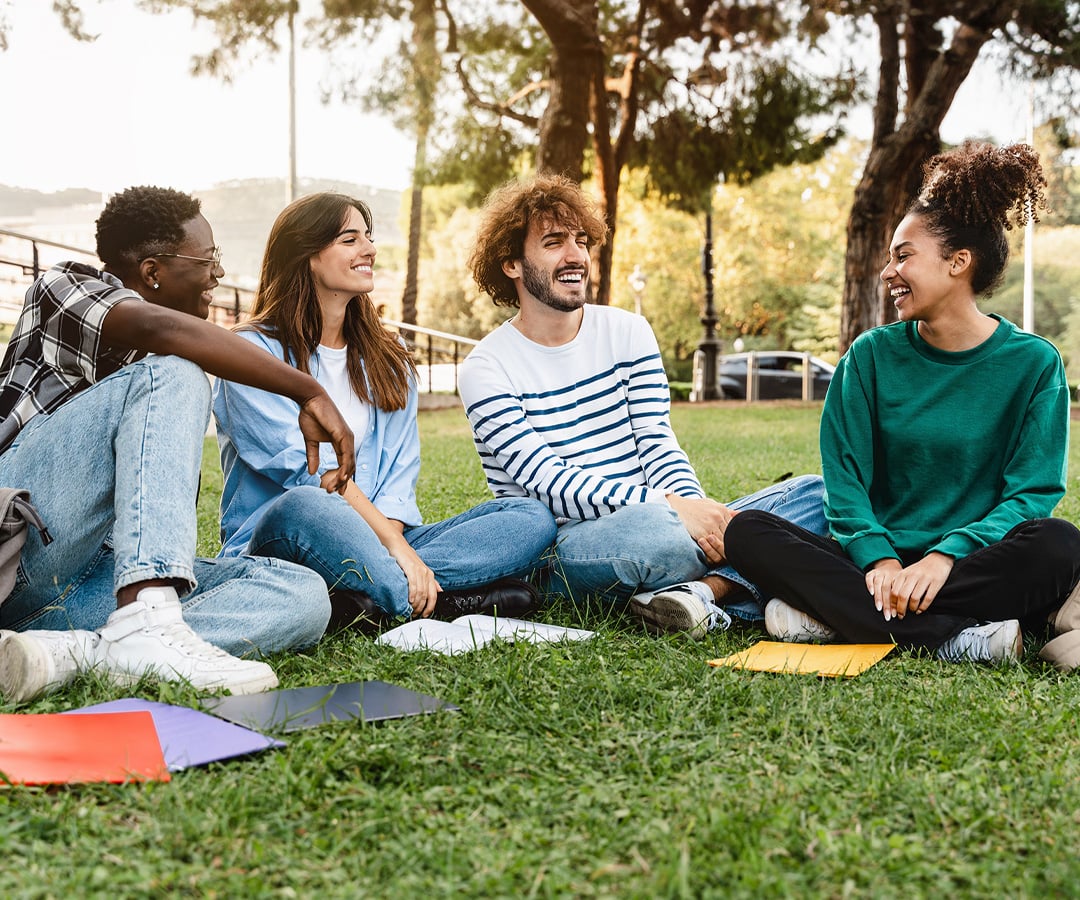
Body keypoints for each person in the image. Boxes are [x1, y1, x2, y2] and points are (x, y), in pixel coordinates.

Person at [722, 142, 1080, 664]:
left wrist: (944, 558)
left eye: (904, 256)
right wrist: (881, 562)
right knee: (748, 531)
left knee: (1058, 544)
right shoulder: (868, 358)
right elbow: (844, 484)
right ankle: (955, 639)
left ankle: (843, 621)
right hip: (871, 567)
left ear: (959, 262)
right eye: (890, 257)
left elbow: (1031, 494)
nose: (888, 271)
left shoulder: (1034, 364)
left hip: (969, 565)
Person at [0, 186, 357, 704]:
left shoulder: (158, 394)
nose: (217, 274)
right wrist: (309, 389)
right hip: (16, 541)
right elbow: (162, 328)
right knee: (177, 370)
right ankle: (143, 621)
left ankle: (73, 652)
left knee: (301, 595)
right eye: (208, 260)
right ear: (152, 273)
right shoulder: (62, 287)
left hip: (83, 582)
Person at [458, 173, 828, 639]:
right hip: (567, 546)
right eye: (553, 242)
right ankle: (750, 589)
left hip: (663, 514)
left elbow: (656, 440)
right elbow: (548, 485)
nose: (576, 256)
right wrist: (675, 511)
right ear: (511, 263)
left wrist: (695, 509)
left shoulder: (628, 331)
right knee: (659, 538)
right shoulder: (485, 368)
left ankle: (703, 594)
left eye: (581, 240)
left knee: (816, 497)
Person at [211, 192, 557, 629]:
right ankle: (434, 598)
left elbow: (397, 478)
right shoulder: (250, 355)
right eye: (350, 239)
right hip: (287, 541)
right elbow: (310, 474)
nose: (370, 249)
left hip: (385, 540)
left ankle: (364, 600)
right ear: (308, 255)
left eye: (368, 238)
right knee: (306, 504)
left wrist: (398, 545)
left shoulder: (388, 358)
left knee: (528, 517)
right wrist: (398, 549)